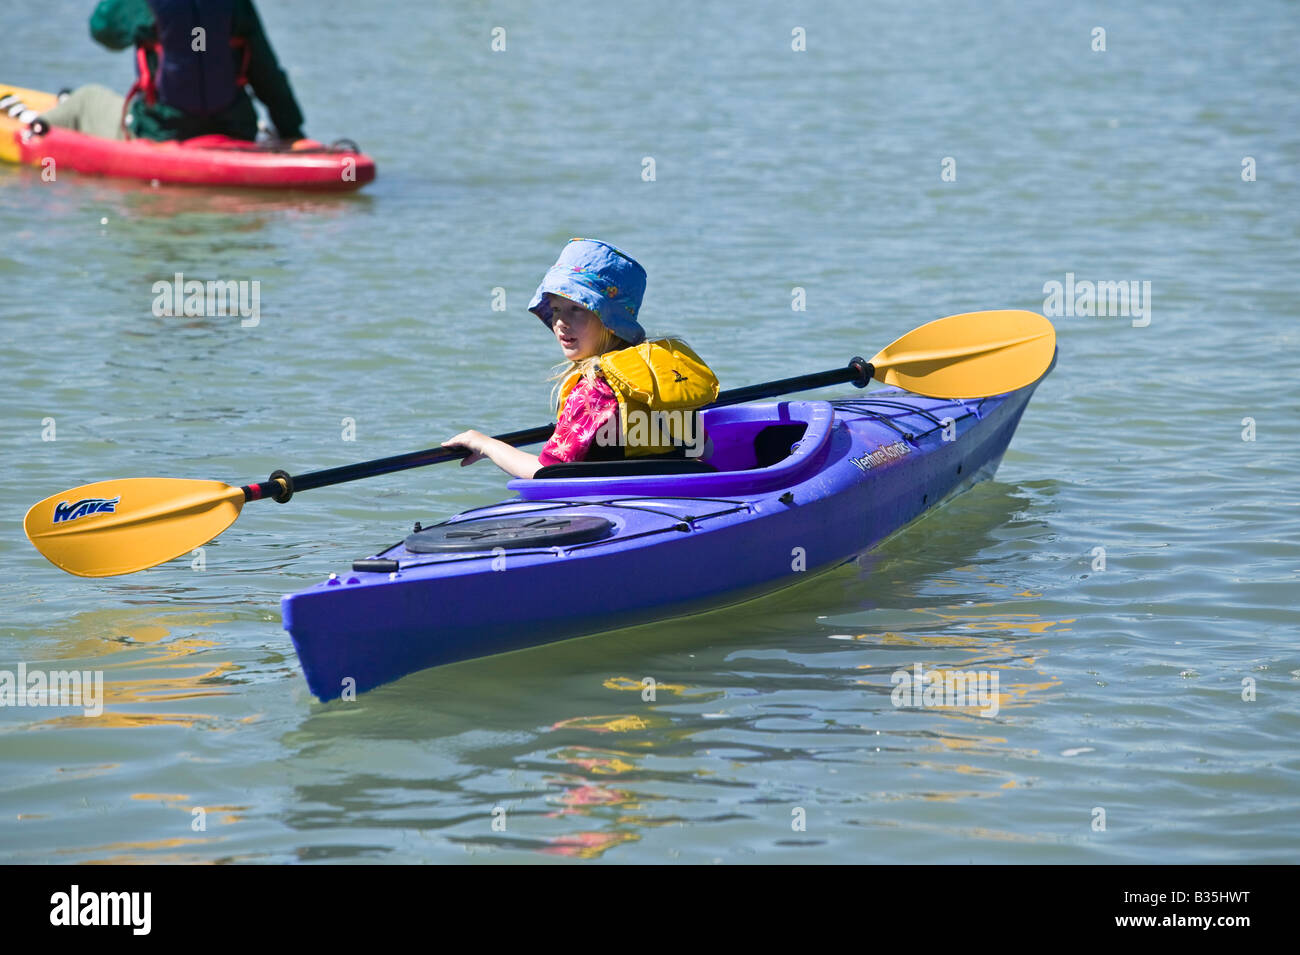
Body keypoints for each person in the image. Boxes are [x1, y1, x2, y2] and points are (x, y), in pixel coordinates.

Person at [443, 238, 720, 479]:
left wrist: (484, 445)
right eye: (555, 309)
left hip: (615, 505)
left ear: (610, 319)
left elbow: (547, 472)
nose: (561, 322)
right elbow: (703, 449)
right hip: (679, 495)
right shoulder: (662, 375)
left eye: (577, 309)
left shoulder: (593, 391)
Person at [38, 0, 305, 143]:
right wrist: (291, 131)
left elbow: (102, 30)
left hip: (162, 131)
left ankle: (32, 128)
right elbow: (267, 74)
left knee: (86, 98)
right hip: (236, 129)